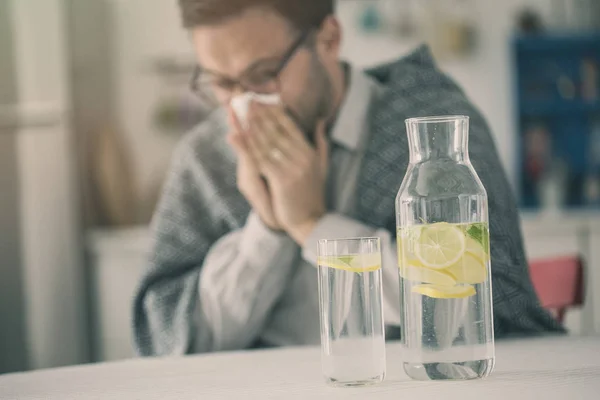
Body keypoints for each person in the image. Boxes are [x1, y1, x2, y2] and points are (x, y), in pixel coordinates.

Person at [133, 0, 563, 356]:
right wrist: (267, 229)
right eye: (222, 84)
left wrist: (310, 225)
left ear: (329, 39)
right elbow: (167, 338)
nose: (244, 106)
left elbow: (486, 309)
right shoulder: (205, 159)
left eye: (263, 75)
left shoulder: (431, 129)